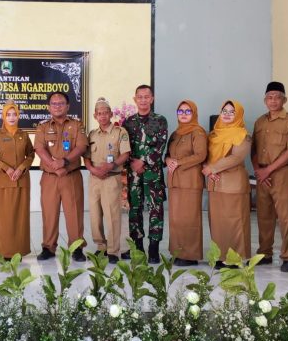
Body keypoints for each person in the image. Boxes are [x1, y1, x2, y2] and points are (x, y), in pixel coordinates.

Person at [251, 82, 288, 273]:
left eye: (277, 97)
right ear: (265, 100)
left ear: (284, 100)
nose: (273, 101)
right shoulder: (259, 122)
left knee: (286, 217)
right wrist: (258, 170)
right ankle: (264, 253)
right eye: (269, 97)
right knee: (264, 216)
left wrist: (268, 170)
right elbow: (254, 150)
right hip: (262, 175)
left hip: (282, 173)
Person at [34, 92, 88, 262]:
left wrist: (64, 162)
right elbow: (39, 148)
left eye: (61, 103)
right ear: (48, 107)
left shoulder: (77, 125)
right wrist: (54, 165)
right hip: (50, 176)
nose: (57, 106)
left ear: (68, 106)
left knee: (74, 213)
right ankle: (48, 248)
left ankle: (77, 248)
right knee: (49, 213)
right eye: (54, 103)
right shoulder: (42, 126)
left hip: (70, 175)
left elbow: (81, 146)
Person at [202, 100, 252, 266]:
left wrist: (212, 168)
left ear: (238, 115)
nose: (227, 114)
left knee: (235, 221)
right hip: (215, 183)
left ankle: (235, 259)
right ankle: (220, 256)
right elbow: (205, 155)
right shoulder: (213, 135)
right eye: (224, 111)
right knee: (218, 223)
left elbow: (236, 157)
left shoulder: (243, 135)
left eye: (232, 112)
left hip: (233, 183)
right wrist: (207, 168)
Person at [123, 84, 168, 263]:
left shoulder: (160, 120)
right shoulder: (128, 122)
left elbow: (160, 146)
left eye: (146, 97)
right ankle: (138, 248)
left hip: (153, 175)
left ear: (152, 99)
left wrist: (143, 161)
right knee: (135, 210)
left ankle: (154, 249)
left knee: (156, 210)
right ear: (135, 99)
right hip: (134, 174)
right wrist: (133, 162)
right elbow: (123, 147)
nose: (143, 100)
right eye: (139, 97)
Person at [83, 97, 131, 264]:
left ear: (111, 114)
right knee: (95, 216)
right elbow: (86, 157)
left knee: (112, 215)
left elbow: (125, 154)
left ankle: (113, 250)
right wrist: (92, 169)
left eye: (105, 113)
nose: (102, 116)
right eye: (99, 113)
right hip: (95, 179)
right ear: (95, 116)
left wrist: (112, 165)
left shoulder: (120, 132)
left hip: (111, 178)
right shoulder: (92, 134)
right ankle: (101, 247)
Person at [0, 101, 35, 259]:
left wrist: (21, 167)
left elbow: (31, 155)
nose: (12, 117)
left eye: (14, 114)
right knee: (4, 219)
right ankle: (4, 252)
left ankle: (19, 251)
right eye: (8, 114)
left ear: (18, 116)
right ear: (4, 116)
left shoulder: (24, 135)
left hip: (22, 182)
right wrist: (5, 168)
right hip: (3, 183)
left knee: (21, 219)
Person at [164, 100, 208, 266]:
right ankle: (178, 252)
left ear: (194, 113)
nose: (183, 114)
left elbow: (201, 155)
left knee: (189, 220)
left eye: (187, 111)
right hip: (174, 181)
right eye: (180, 111)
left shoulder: (198, 132)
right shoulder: (175, 134)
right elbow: (167, 155)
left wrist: (178, 162)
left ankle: (190, 255)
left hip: (190, 182)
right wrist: (168, 160)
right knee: (176, 220)